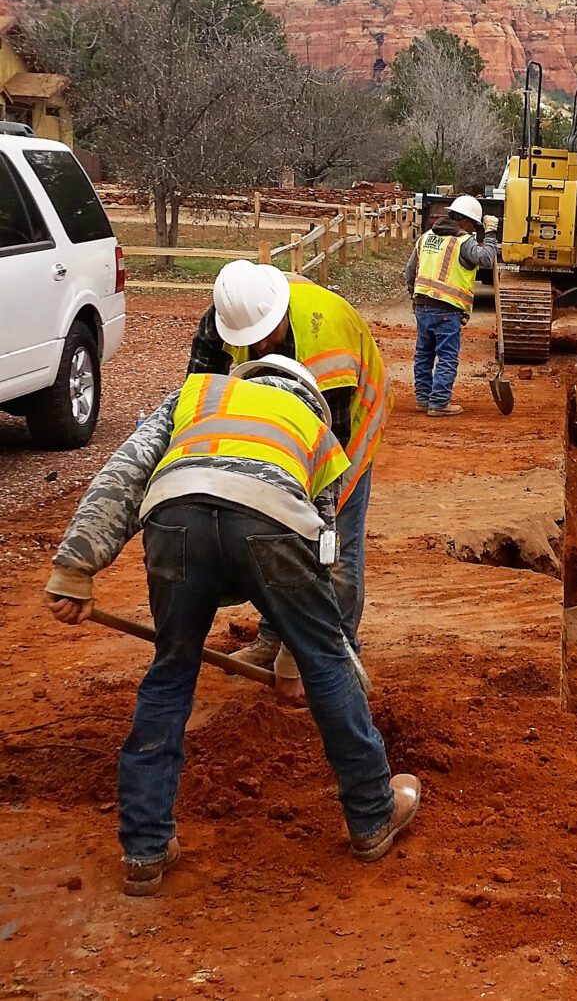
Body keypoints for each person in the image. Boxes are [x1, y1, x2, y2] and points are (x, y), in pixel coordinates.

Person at [43, 355, 420, 894]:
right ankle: (372, 815)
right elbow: (326, 550)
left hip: (175, 516)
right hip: (273, 520)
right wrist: (301, 655)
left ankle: (145, 848)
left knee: (172, 671)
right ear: (308, 397)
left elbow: (124, 473)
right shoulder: (315, 434)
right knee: (330, 665)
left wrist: (76, 564)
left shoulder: (196, 398)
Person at [188, 261, 392, 667]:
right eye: (250, 340)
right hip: (275, 419)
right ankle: (274, 636)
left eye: (266, 336)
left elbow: (328, 449)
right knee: (272, 535)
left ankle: (336, 650)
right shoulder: (227, 313)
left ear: (280, 312)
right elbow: (199, 393)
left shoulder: (325, 337)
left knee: (334, 548)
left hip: (344, 425)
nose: (260, 347)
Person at [405, 195, 498, 418]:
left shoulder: (426, 238)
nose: (474, 230)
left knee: (424, 354)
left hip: (423, 304)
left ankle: (423, 398)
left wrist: (414, 297)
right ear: (465, 221)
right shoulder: (463, 242)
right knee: (447, 355)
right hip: (446, 309)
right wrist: (492, 233)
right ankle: (438, 403)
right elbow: (486, 259)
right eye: (474, 225)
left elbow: (410, 271)